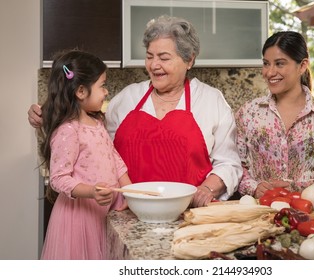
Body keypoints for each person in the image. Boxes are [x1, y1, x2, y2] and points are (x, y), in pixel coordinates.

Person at [28, 15, 242, 207]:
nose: (154, 65)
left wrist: (206, 190)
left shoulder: (211, 100)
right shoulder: (127, 98)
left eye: (164, 58)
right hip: (126, 213)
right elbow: (88, 140)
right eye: (149, 56)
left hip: (189, 214)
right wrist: (47, 116)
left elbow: (229, 163)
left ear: (189, 60)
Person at [38, 50, 131, 259]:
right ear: (81, 91)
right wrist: (92, 192)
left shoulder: (97, 123)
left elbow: (113, 157)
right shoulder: (68, 130)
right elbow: (58, 179)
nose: (106, 92)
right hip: (78, 220)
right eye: (103, 85)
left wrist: (128, 190)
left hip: (102, 214)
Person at [235, 31, 314, 199]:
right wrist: (254, 187)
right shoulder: (248, 113)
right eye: (266, 64)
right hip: (260, 214)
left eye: (279, 64)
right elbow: (235, 164)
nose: (269, 72)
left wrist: (297, 187)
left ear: (302, 66)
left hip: (312, 215)